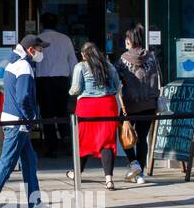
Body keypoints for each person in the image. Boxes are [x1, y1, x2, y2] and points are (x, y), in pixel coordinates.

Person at [0, 35, 48, 208]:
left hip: (13, 120)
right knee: (6, 164)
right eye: (40, 49)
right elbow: (24, 97)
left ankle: (36, 204)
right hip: (19, 123)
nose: (42, 53)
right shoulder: (24, 66)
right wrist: (31, 116)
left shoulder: (13, 63)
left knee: (29, 161)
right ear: (31, 50)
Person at [66, 42, 123, 190]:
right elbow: (118, 86)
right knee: (107, 142)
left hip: (87, 106)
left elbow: (76, 89)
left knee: (84, 140)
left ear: (84, 54)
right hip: (108, 105)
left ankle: (77, 172)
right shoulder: (109, 66)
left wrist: (70, 93)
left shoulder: (81, 66)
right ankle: (109, 179)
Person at [118, 24, 161, 184]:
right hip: (149, 104)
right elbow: (158, 78)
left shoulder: (124, 59)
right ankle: (140, 173)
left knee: (123, 134)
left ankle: (134, 163)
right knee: (142, 138)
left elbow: (116, 79)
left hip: (129, 105)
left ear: (130, 40)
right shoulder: (151, 57)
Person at [34, 12, 77, 158]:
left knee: (46, 115)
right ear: (57, 24)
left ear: (42, 24)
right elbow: (73, 64)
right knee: (62, 113)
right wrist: (75, 84)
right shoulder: (65, 39)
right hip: (62, 81)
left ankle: (51, 147)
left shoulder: (38, 39)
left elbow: (34, 62)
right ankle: (66, 143)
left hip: (43, 81)